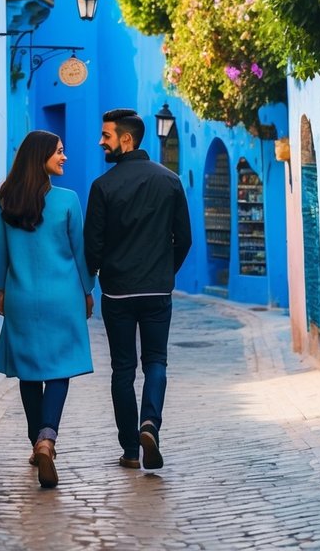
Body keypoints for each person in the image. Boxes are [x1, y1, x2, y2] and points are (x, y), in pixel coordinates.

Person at [0, 130, 94, 489]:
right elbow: (81, 253)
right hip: (64, 298)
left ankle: (36, 443)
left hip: (20, 297)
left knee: (29, 372)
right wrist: (89, 291)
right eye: (59, 152)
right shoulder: (68, 201)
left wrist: (1, 292)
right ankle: (47, 438)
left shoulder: (6, 202)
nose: (64, 157)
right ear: (41, 156)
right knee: (59, 370)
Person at [84, 107, 192, 472]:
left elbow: (92, 247)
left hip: (117, 294)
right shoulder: (170, 181)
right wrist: (165, 272)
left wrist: (96, 277)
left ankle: (131, 450)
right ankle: (150, 424)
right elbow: (185, 239)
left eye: (106, 136)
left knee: (122, 370)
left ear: (125, 140)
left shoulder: (103, 187)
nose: (101, 142)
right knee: (156, 361)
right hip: (157, 291)